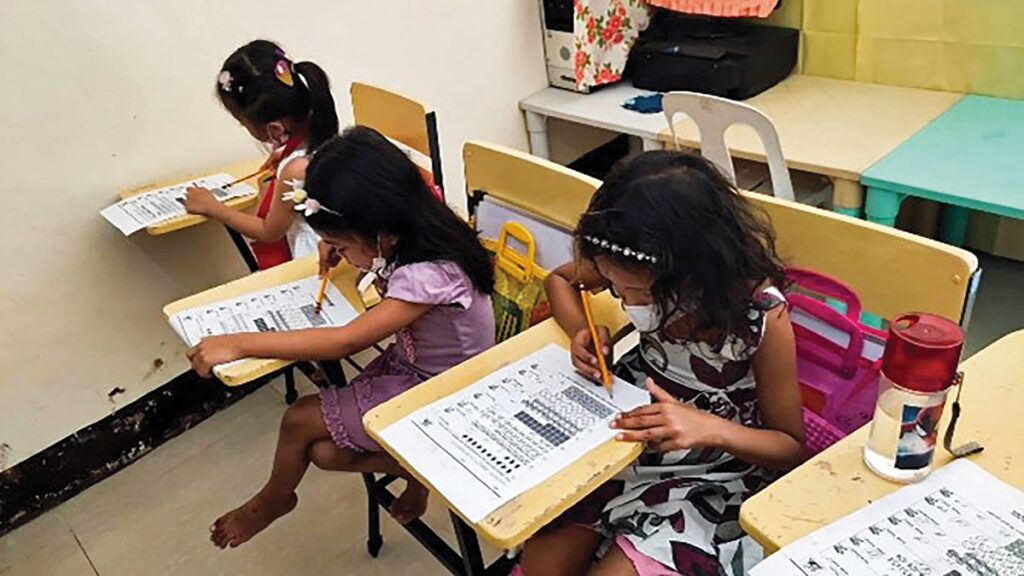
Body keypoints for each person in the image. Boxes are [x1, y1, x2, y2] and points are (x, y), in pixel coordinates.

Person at [187, 126, 496, 548]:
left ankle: (272, 501)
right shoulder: (416, 231)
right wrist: (353, 249)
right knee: (324, 454)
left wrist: (240, 342)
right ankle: (418, 472)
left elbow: (345, 342)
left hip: (446, 393)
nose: (336, 252)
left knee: (299, 419)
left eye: (339, 243)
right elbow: (378, 270)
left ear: (381, 231)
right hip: (416, 366)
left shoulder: (430, 272)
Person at [521, 151, 805, 575]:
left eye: (641, 294)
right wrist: (583, 328)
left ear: (696, 275)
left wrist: (710, 428)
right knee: (542, 566)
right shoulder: (627, 259)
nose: (625, 303)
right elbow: (560, 279)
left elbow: (792, 448)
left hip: (715, 471)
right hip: (625, 439)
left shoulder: (761, 317)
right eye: (614, 287)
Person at [184, 40, 338, 269]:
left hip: (313, 266)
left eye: (242, 123)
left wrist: (215, 208)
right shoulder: (322, 131)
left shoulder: (296, 169)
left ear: (274, 129)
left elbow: (269, 232)